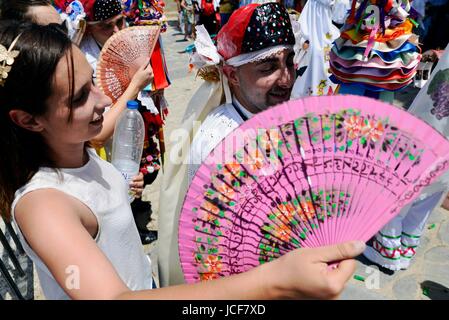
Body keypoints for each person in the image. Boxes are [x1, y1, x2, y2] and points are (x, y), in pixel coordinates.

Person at [0, 21, 365, 299]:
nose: (100, 101)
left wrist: (117, 189)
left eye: (93, 83)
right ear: (28, 120)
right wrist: (274, 281)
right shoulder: (42, 205)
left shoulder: (79, 147)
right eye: (80, 97)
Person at [157, 2, 297, 286]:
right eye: (269, 67)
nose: (286, 78)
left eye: (289, 61)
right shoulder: (220, 146)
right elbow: (214, 248)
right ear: (232, 75)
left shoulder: (269, 114)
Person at [61, 0, 159, 244]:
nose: (117, 32)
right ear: (88, 28)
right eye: (107, 26)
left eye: (120, 22)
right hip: (104, 143)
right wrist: (135, 85)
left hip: (127, 123)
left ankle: (133, 219)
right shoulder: (84, 62)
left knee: (138, 177)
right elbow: (98, 136)